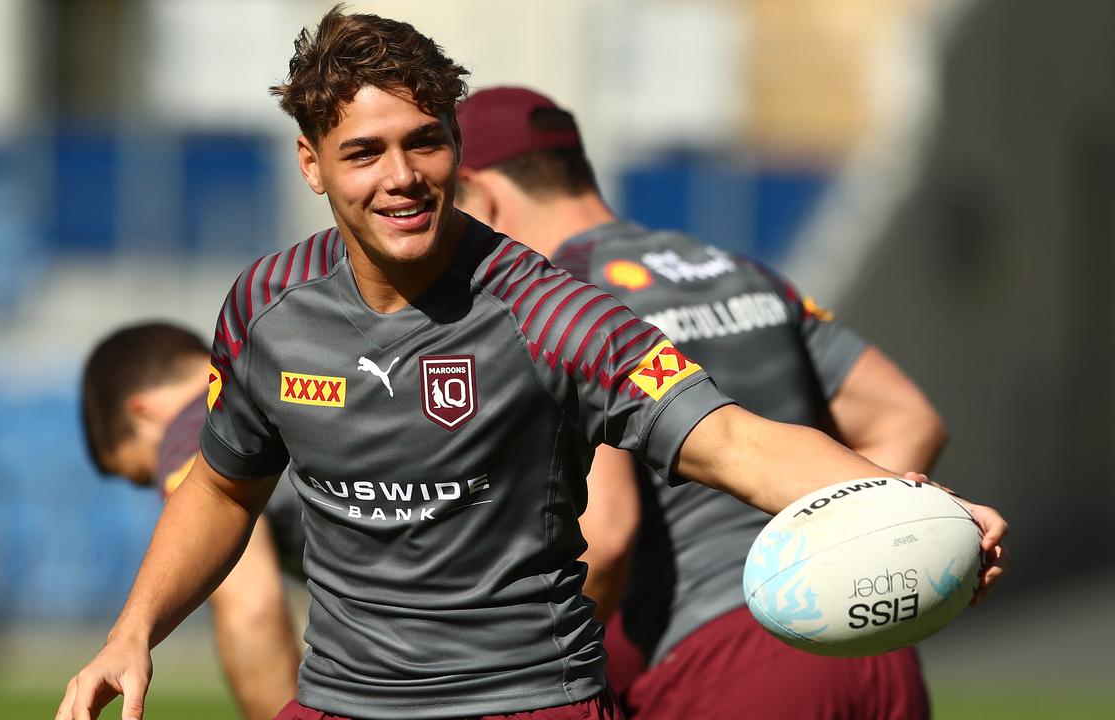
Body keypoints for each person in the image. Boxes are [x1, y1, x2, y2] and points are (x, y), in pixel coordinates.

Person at [56, 8, 1008, 720]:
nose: (401, 176)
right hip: (341, 703)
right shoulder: (264, 308)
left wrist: (916, 511)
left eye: (425, 142)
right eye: (365, 153)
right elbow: (224, 490)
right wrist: (133, 631)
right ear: (312, 164)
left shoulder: (553, 310)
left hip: (523, 702)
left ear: (457, 148)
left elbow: (739, 444)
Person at [453, 85, 971, 718]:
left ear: (480, 194)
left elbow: (605, 537)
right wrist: (836, 554)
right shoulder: (735, 268)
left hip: (726, 661)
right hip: (870, 647)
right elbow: (906, 418)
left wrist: (493, 679)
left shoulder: (561, 306)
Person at [80, 321, 304, 720]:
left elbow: (250, 606)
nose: (164, 489)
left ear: (143, 414)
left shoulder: (192, 432)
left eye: (146, 474)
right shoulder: (293, 370)